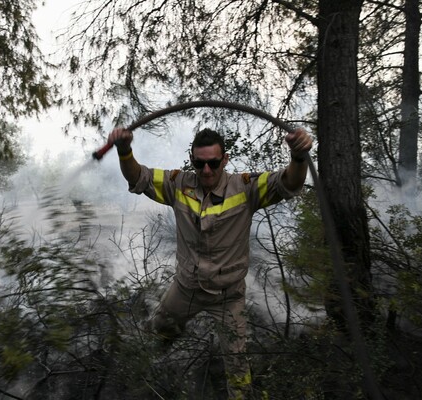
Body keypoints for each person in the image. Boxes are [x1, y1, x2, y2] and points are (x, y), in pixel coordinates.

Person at [107, 126, 313, 399]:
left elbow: (288, 182)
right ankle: (153, 376)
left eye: (213, 163)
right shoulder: (178, 184)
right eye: (199, 163)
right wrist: (124, 150)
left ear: (224, 160)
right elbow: (139, 177)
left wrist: (298, 157)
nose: (206, 171)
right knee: (158, 331)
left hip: (228, 296)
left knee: (238, 364)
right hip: (186, 289)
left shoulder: (246, 187)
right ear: (192, 160)